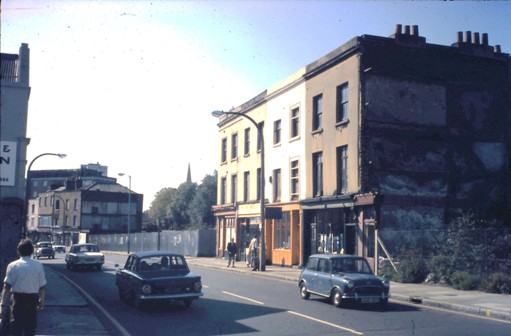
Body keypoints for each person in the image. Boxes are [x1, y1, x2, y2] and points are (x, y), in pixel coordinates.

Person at [1, 239, 47, 336]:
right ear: (32, 251)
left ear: (18, 251)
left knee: (16, 328)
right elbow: (42, 287)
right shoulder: (38, 265)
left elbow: (7, 287)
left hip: (17, 301)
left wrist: (2, 304)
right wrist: (41, 300)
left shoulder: (13, 266)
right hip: (32, 301)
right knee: (30, 329)